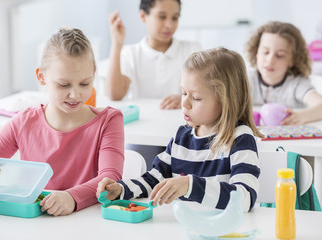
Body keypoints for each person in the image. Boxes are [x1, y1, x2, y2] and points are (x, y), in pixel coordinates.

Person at [0, 28, 125, 216]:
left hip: (87, 222)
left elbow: (110, 179)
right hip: (35, 222)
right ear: (41, 77)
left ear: (93, 73)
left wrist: (71, 197)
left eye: (84, 83)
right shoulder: (23, 122)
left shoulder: (109, 121)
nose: (75, 94)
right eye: (64, 84)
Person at [97, 48, 262, 212]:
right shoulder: (181, 136)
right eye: (183, 93)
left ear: (226, 101)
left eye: (196, 98)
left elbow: (245, 198)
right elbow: (154, 180)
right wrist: (121, 189)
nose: (185, 103)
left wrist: (191, 185)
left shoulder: (240, 138)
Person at [106, 0, 201, 110]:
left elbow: (206, 92)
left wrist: (184, 98)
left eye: (174, 18)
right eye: (162, 17)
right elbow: (115, 95)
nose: (169, 25)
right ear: (143, 16)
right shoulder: (130, 54)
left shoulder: (192, 50)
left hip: (181, 122)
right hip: (142, 122)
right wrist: (116, 44)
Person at [246, 21, 322, 125]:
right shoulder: (246, 80)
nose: (270, 60)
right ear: (256, 52)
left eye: (280, 55)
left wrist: (302, 116)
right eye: (265, 52)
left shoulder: (297, 84)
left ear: (292, 60)